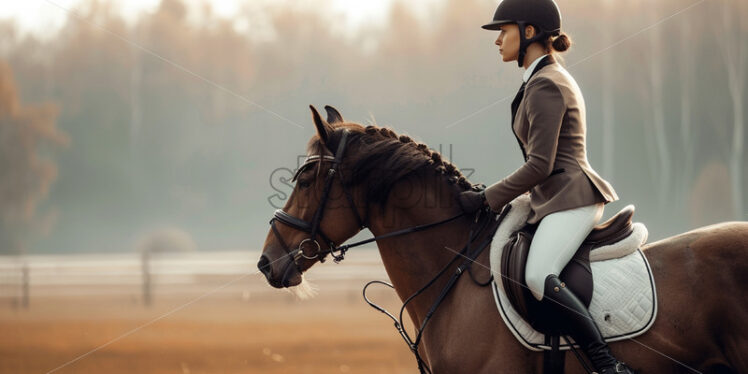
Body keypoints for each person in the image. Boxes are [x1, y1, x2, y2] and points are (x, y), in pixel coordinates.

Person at [457, 1, 635, 373]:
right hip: (554, 197)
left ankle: (606, 365)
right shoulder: (540, 80)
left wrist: (488, 198)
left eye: (502, 31)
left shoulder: (546, 85)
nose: (497, 41)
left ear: (528, 32)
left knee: (538, 273)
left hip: (572, 196)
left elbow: (541, 164)